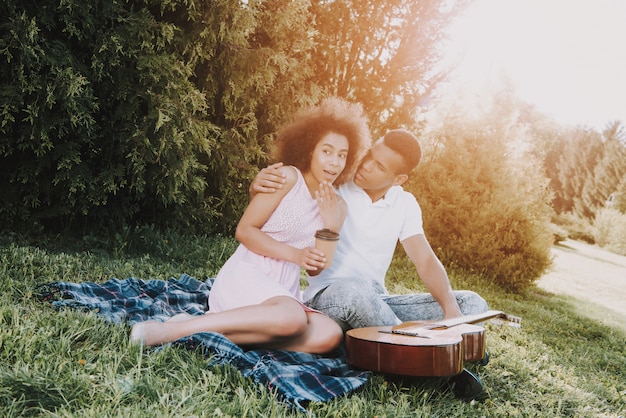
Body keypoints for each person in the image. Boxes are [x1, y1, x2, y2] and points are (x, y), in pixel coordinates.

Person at [130, 97, 371, 354]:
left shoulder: (339, 207)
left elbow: (315, 270)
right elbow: (244, 230)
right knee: (293, 318)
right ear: (310, 149)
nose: (334, 162)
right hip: (248, 272)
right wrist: (296, 255)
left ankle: (214, 332)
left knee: (329, 334)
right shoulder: (287, 178)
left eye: (342, 155)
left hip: (284, 289)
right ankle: (174, 330)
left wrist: (330, 226)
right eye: (327, 151)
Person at [251, 128, 488, 333]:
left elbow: (425, 260)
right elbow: (283, 206)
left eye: (379, 167)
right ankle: (420, 347)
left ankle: (409, 339)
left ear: (399, 179)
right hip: (331, 297)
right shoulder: (335, 183)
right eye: (370, 155)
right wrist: (256, 190)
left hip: (378, 301)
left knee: (471, 303)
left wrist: (450, 309)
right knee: (354, 292)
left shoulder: (405, 204)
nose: (365, 166)